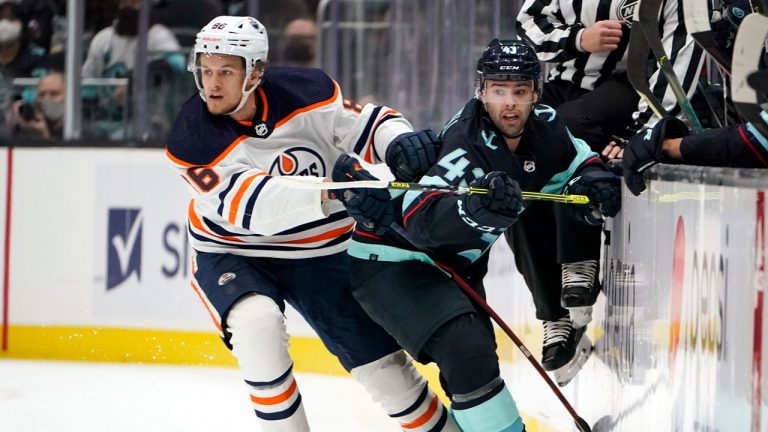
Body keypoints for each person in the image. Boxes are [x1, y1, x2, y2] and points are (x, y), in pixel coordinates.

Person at [165, 15, 458, 432]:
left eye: (226, 71)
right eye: (206, 70)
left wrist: (398, 142)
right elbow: (255, 207)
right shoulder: (192, 135)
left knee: (387, 372)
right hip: (234, 251)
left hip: (323, 253)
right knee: (257, 326)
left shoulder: (306, 91)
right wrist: (334, 190)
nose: (212, 84)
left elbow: (364, 123)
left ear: (255, 72)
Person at [331, 39, 620, 431]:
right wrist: (472, 209)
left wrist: (594, 179)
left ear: (536, 91)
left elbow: (578, 162)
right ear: (481, 92)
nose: (510, 103)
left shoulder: (548, 127)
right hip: (395, 261)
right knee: (467, 353)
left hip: (454, 266)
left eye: (520, 91)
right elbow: (420, 223)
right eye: (499, 91)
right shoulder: (465, 146)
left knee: (474, 362)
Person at [515, 0, 703, 370]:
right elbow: (528, 25)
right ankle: (555, 315)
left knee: (560, 129)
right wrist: (579, 39)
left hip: (628, 89)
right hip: (560, 85)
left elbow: (678, 66)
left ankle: (579, 260)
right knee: (520, 167)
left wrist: (639, 133)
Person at [7, 70, 64, 139]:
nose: (46, 99)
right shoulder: (30, 122)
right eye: (42, 95)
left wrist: (44, 137)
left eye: (54, 94)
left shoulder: (76, 129)